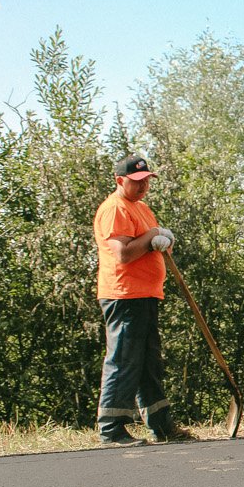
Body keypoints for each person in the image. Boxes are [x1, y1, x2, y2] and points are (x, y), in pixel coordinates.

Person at [93, 153, 190, 446]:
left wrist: (162, 239)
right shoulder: (114, 208)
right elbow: (122, 254)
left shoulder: (142, 208)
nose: (143, 186)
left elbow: (152, 244)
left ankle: (161, 426)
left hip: (145, 294)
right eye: (136, 182)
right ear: (120, 180)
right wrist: (152, 236)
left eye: (146, 180)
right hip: (124, 295)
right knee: (124, 360)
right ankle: (111, 428)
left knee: (149, 362)